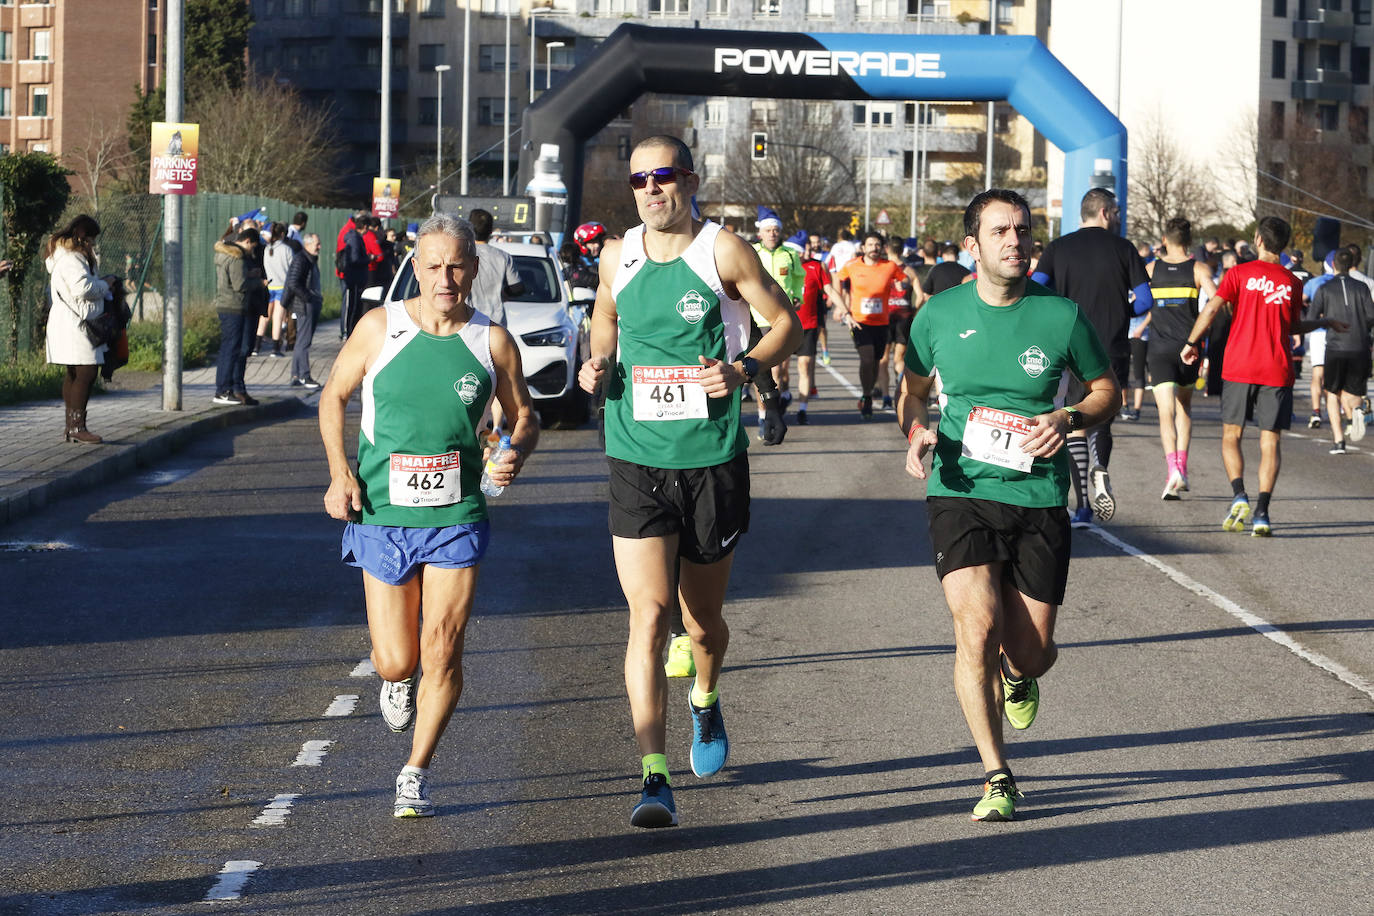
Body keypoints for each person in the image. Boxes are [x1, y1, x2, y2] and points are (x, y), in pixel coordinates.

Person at [576, 135, 800, 828]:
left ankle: (705, 695)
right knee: (648, 615)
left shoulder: (722, 251)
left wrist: (744, 371)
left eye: (663, 176)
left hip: (710, 459)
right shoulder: (619, 254)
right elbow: (605, 320)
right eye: (640, 179)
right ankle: (653, 776)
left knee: (701, 624)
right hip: (636, 456)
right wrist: (598, 364)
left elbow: (783, 321)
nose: (651, 188)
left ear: (690, 180)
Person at [900, 188, 1117, 821]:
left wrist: (1069, 415)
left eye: (1022, 230)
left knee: (1031, 651)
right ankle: (997, 775)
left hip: (1037, 494)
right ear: (972, 246)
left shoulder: (1062, 317)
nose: (1015, 241)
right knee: (976, 627)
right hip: (961, 488)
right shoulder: (937, 316)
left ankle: (1019, 675)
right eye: (999, 232)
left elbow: (1108, 390)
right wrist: (916, 430)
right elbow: (911, 394)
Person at [319, 213, 538, 818]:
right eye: (435, 265)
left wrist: (513, 451)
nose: (446, 277)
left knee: (443, 648)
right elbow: (333, 395)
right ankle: (395, 680)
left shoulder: (490, 341)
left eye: (457, 265)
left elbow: (523, 416)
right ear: (416, 268)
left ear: (473, 268)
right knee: (398, 658)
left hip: (456, 515)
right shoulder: (379, 328)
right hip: (382, 513)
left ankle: (415, 771)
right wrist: (341, 473)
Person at [1181, 216, 1345, 536]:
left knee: (1232, 435)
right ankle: (1262, 513)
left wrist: (1191, 343)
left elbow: (1212, 309)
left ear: (1257, 240)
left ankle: (1239, 494)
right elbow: (1293, 326)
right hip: (1276, 368)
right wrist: (1323, 323)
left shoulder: (1238, 273)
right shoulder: (1292, 282)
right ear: (1283, 246)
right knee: (1270, 442)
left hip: (1239, 365)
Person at [1032, 188, 1152, 525]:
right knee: (1104, 413)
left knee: (1074, 420)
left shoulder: (1058, 248)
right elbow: (1145, 301)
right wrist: (1121, 310)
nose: (1118, 217)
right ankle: (1101, 466)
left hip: (1069, 347)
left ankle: (1083, 504)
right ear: (1104, 212)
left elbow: (1036, 289)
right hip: (1112, 344)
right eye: (1116, 211)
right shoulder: (1124, 249)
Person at [1146, 217, 1217, 499]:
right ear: (1189, 241)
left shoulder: (1151, 268)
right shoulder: (1199, 268)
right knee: (1184, 407)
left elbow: (1137, 299)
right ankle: (1183, 469)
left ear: (1164, 240)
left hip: (1159, 349)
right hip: (1189, 348)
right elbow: (1216, 300)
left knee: (1166, 412)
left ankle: (1172, 469)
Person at [44, 214, 113, 444]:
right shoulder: (72, 259)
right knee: (86, 372)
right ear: (82, 238)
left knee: (74, 373)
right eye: (91, 240)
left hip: (69, 323)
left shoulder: (64, 256)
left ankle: (71, 427)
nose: (93, 245)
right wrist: (106, 284)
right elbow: (82, 288)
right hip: (76, 325)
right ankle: (77, 427)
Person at [830, 231, 905, 418]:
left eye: (877, 245)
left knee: (877, 360)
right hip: (859, 322)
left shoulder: (890, 266)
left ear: (883, 248)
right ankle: (866, 396)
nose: (874, 248)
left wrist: (902, 285)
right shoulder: (851, 266)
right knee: (868, 358)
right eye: (870, 244)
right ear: (863, 248)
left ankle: (869, 391)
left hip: (882, 322)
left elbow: (904, 279)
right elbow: (836, 282)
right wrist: (841, 308)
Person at [1307, 248, 1374, 454]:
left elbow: (1311, 318)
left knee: (1332, 392)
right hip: (1359, 345)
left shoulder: (1325, 288)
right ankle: (1357, 411)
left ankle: (1338, 441)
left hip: (1335, 347)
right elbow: (1371, 316)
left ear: (1333, 265)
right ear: (1353, 263)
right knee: (1352, 391)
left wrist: (1326, 321)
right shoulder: (1362, 287)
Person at [751, 207, 804, 429]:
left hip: (782, 319)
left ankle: (775, 406)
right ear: (760, 233)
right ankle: (763, 415)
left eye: (775, 230)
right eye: (768, 230)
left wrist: (797, 296)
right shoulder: (751, 252)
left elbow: (799, 277)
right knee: (760, 369)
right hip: (758, 319)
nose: (772, 234)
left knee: (780, 370)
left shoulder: (790, 255)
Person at [212, 228, 265, 407]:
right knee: (230, 349)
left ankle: (225, 388)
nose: (252, 252)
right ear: (248, 241)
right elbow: (239, 284)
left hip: (225, 304)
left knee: (229, 348)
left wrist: (248, 275)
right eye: (253, 247)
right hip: (233, 306)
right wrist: (258, 282)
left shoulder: (225, 254)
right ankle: (223, 390)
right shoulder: (237, 257)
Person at [793, 235, 835, 425]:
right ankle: (783, 394)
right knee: (780, 373)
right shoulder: (783, 265)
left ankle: (802, 409)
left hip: (808, 324)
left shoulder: (817, 266)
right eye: (803, 249)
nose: (807, 253)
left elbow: (830, 288)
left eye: (809, 249)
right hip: (784, 325)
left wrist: (842, 307)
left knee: (804, 366)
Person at [285, 232, 325, 389]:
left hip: (309, 303)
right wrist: (308, 297)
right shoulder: (302, 259)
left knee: (301, 340)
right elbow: (293, 283)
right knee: (304, 341)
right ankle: (304, 375)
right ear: (307, 244)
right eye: (317, 244)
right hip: (305, 304)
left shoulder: (309, 259)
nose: (319, 247)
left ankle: (295, 374)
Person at [259, 222, 295, 359]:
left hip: (269, 286)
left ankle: (256, 346)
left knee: (264, 317)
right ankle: (275, 348)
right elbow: (291, 268)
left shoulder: (267, 249)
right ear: (282, 234)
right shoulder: (286, 249)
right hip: (282, 287)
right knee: (278, 318)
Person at [340, 215, 371, 338]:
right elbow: (354, 259)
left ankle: (351, 332)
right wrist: (367, 259)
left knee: (356, 307)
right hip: (353, 279)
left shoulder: (357, 238)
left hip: (357, 279)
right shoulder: (354, 239)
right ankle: (347, 332)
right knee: (351, 307)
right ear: (364, 227)